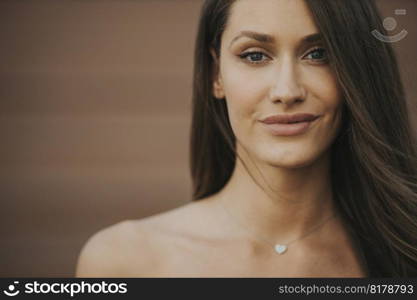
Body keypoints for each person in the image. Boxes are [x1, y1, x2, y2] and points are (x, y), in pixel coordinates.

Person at [75, 0, 417, 277]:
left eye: (318, 54)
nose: (287, 91)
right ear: (215, 74)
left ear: (358, 70)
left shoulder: (404, 253)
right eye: (255, 55)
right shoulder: (125, 262)